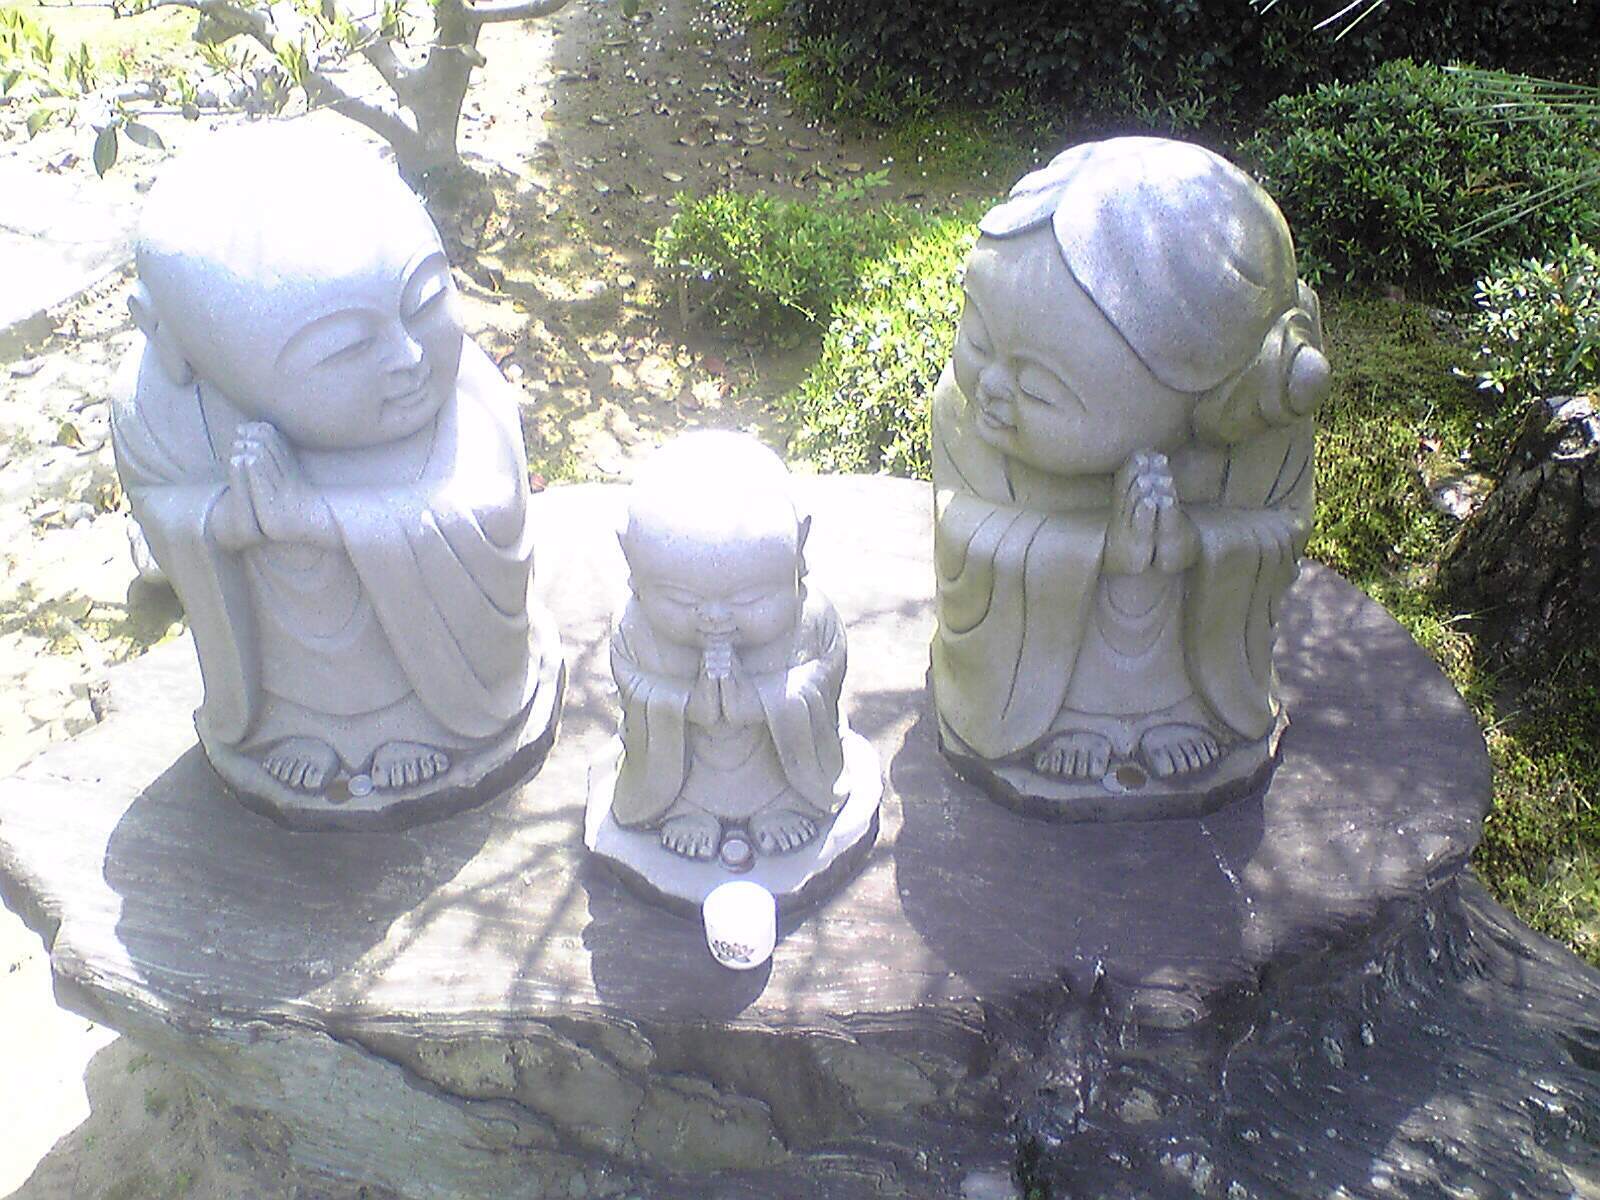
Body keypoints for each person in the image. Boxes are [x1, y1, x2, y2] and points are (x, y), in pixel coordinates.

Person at [112, 127, 551, 805]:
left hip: (440, 681)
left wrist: (318, 517)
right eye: (345, 348)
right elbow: (160, 507)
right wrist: (227, 523)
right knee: (285, 579)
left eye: (424, 303)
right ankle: (293, 724)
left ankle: (415, 722)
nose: (410, 358)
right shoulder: (161, 408)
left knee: (379, 565)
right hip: (290, 676)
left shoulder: (463, 396)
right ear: (181, 345)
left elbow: (489, 509)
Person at [931, 137, 1331, 789]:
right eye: (978, 340)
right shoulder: (967, 410)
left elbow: (1281, 533)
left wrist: (1195, 543)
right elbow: (960, 530)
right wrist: (1100, 549)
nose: (992, 386)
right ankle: (1066, 720)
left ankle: (1176, 711)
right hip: (1035, 686)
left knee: (1166, 585)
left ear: (1197, 410)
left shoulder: (1251, 442)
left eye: (1039, 389)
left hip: (1179, 672)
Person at [609, 433, 850, 859]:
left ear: (798, 557)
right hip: (679, 779)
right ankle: (683, 809)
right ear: (633, 569)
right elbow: (633, 687)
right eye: (681, 599)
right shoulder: (636, 629)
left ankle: (783, 803)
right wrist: (687, 704)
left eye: (750, 599)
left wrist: (761, 701)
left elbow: (826, 673)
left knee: (790, 754)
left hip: (780, 775)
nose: (715, 617)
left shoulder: (811, 619)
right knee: (665, 754)